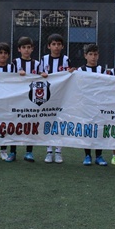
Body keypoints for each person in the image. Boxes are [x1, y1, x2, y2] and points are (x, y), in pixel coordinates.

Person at [7, 36, 44, 163]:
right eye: (24, 47)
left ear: (32, 49)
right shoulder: (14, 63)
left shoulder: (37, 64)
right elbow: (9, 78)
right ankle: (12, 151)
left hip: (31, 99)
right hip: (17, 98)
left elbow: (41, 78)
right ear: (19, 49)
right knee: (14, 124)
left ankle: (29, 152)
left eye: (29, 47)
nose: (26, 50)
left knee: (31, 125)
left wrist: (43, 75)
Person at [39, 33, 73, 164]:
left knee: (60, 121)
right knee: (48, 120)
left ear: (62, 46)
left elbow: (71, 74)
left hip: (62, 95)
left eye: (59, 44)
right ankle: (49, 150)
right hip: (48, 95)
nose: (56, 47)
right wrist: (41, 74)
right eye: (54, 44)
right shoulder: (44, 59)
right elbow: (39, 74)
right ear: (49, 46)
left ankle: (58, 151)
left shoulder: (65, 59)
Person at [77, 44, 107, 166]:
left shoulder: (102, 70)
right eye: (90, 54)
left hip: (98, 104)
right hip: (86, 105)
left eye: (95, 54)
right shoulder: (80, 71)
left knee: (99, 129)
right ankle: (87, 155)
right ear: (85, 56)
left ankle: (99, 155)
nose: (93, 57)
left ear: (98, 56)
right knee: (87, 129)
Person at [0, 42, 18, 161]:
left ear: (8, 55)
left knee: (5, 125)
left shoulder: (12, 68)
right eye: (0, 53)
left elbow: (17, 81)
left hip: (7, 101)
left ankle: (3, 150)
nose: (3, 55)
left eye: (5, 53)